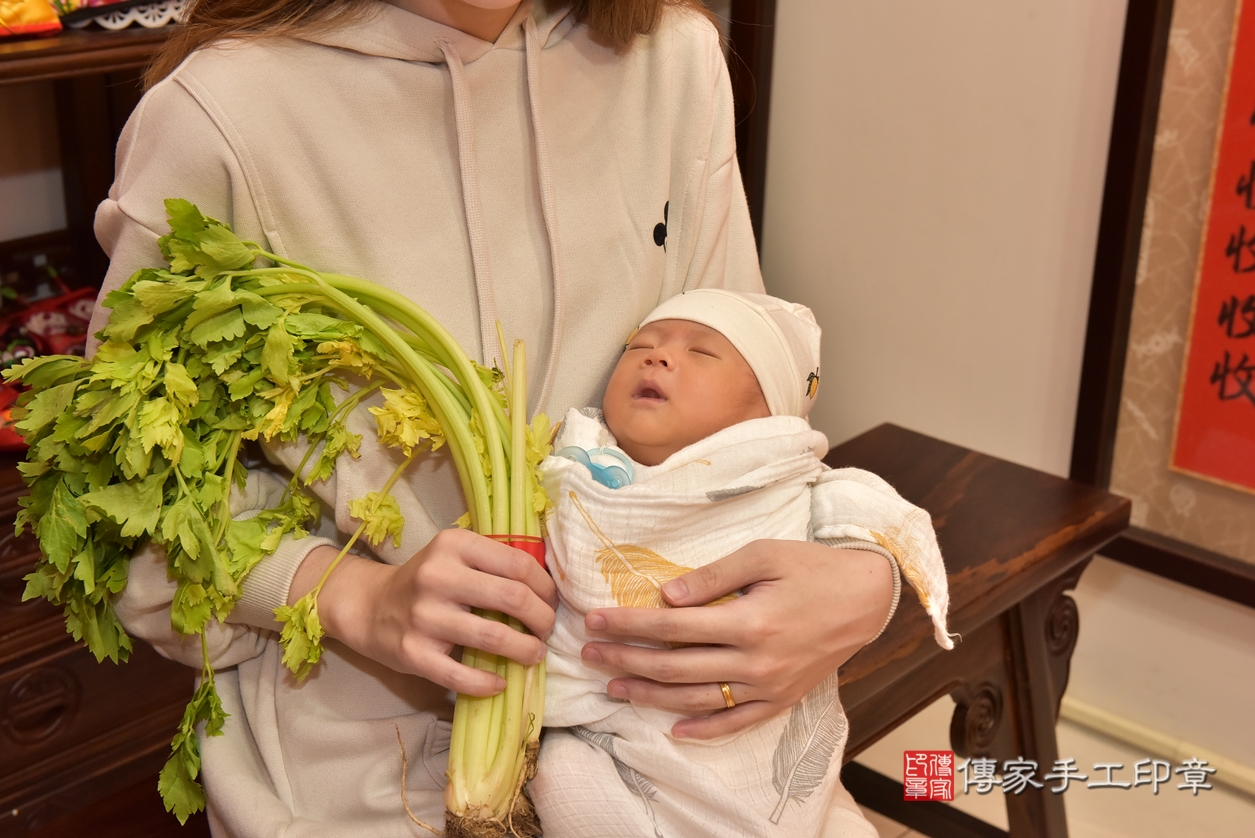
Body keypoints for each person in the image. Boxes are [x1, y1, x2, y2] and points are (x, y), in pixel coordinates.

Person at [91, 0, 907, 833]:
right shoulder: (221, 112)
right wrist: (357, 598)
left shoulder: (672, 60)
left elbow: (749, 410)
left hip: (671, 742)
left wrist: (861, 572)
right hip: (365, 768)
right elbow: (134, 522)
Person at [532, 289, 953, 837]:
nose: (657, 356)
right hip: (619, 738)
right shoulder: (577, 467)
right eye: (641, 345)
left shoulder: (792, 478)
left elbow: (881, 526)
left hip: (757, 731)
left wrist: (875, 571)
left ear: (767, 416)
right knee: (560, 776)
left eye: (702, 353)